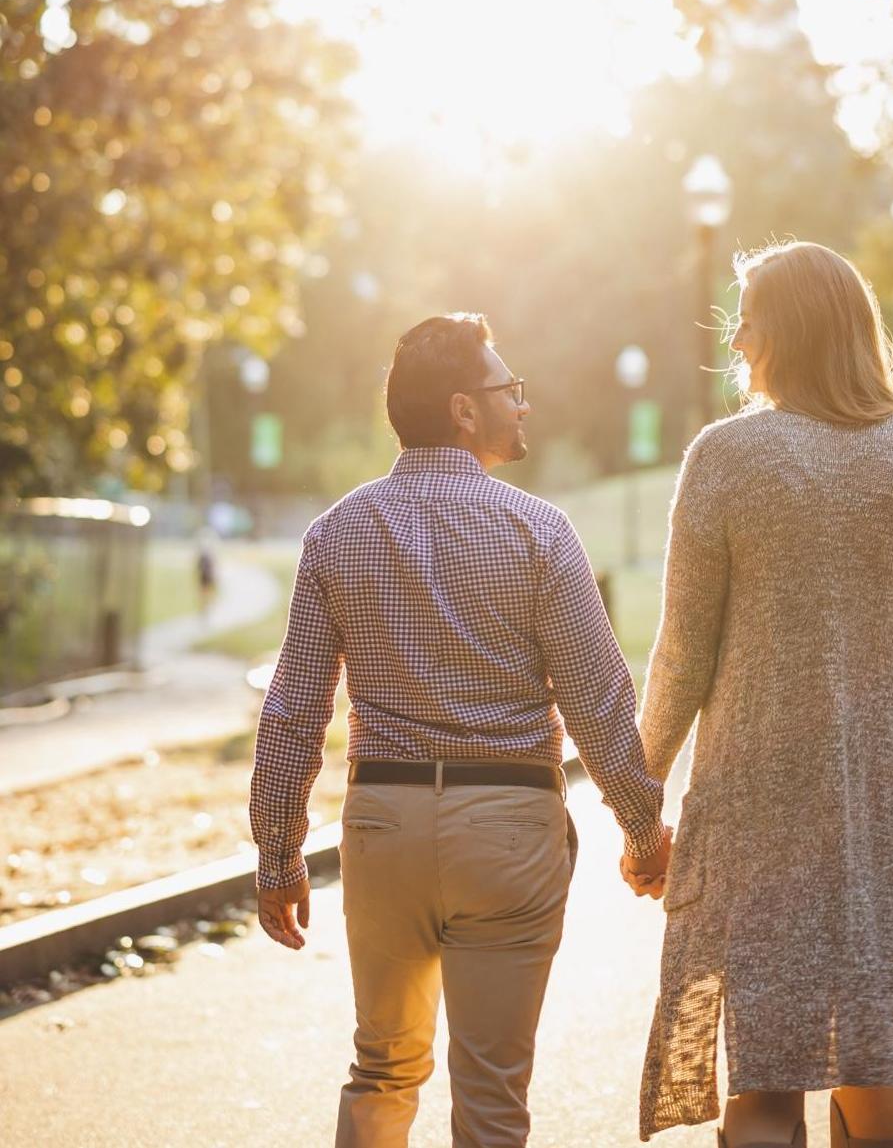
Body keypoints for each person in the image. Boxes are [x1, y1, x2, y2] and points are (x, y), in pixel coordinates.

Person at [248, 313, 671, 1148]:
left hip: (384, 826)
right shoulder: (538, 531)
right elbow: (596, 700)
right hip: (506, 824)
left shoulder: (336, 532)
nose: (523, 404)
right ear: (462, 410)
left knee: (382, 1066)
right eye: (507, 390)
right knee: (490, 1096)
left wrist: (277, 851)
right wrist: (643, 828)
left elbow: (296, 707)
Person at [631, 242, 893, 1148]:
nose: (737, 334)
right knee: (873, 1068)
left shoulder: (724, 458)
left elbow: (683, 655)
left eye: (748, 314)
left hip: (755, 801)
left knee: (763, 1077)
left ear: (785, 331)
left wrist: (640, 802)